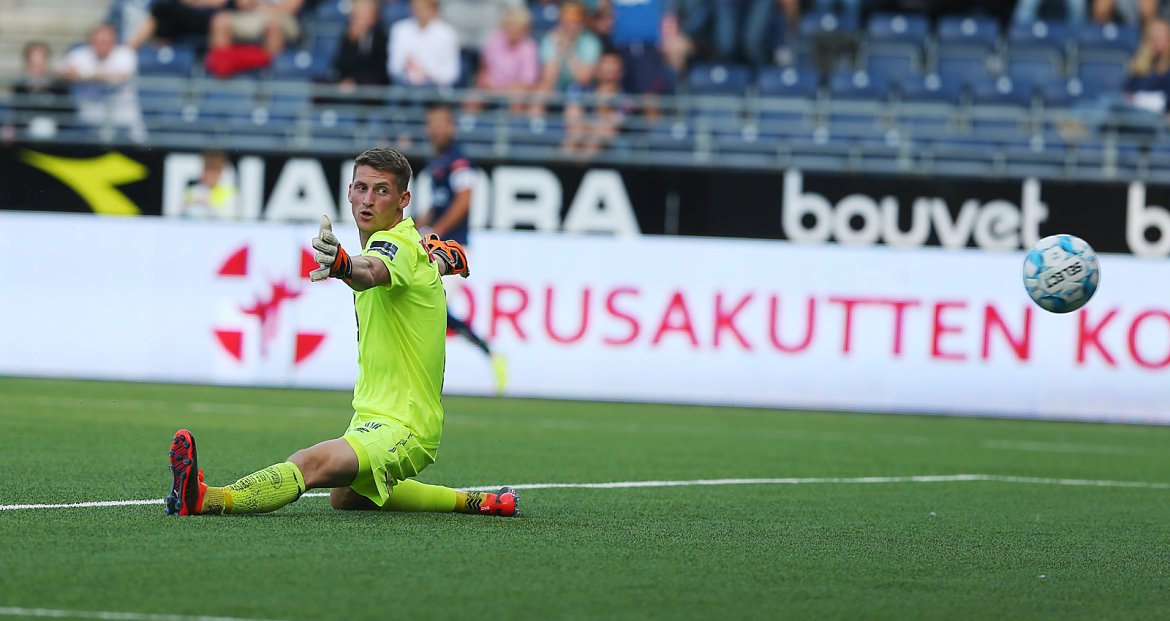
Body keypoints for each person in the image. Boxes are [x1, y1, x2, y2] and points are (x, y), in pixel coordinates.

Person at [165, 147, 518, 518]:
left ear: (404, 199)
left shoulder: (394, 244)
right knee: (347, 497)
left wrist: (344, 265)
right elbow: (429, 257)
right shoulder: (411, 245)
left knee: (310, 463)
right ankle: (479, 502)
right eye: (361, 188)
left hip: (405, 425)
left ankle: (208, 499)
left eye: (381, 191)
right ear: (349, 191)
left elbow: (371, 271)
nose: (367, 200)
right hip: (372, 417)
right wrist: (444, 258)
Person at [415, 103, 509, 395]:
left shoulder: (460, 161)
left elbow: (465, 199)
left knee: (431, 309)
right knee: (432, 309)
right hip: (435, 243)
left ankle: (486, 354)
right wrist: (414, 227)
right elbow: (438, 203)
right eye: (430, 123)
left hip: (451, 249)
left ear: (452, 127)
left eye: (440, 123)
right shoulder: (439, 162)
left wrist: (436, 232)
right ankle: (487, 352)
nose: (434, 129)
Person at [60, 23, 146, 142]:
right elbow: (65, 72)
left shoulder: (125, 54)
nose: (101, 46)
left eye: (106, 42)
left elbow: (120, 77)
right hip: (88, 120)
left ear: (114, 42)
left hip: (123, 121)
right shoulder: (79, 53)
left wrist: (85, 75)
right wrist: (98, 75)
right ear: (90, 42)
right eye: (98, 42)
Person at [562, 50, 634, 158]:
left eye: (612, 64)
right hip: (580, 135)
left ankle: (578, 169)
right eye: (605, 63)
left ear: (620, 71)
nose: (608, 68)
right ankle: (563, 165)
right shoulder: (582, 90)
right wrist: (595, 124)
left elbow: (611, 128)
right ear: (597, 69)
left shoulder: (626, 100)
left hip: (606, 143)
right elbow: (571, 118)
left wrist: (586, 125)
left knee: (594, 139)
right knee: (574, 136)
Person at [387, 0, 461, 87]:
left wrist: (426, 72)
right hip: (404, 85)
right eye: (416, 8)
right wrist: (408, 68)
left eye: (424, 7)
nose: (420, 12)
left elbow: (451, 74)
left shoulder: (447, 33)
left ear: (433, 9)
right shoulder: (399, 30)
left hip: (435, 87)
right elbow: (393, 68)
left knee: (419, 95)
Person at [538, 2, 603, 93]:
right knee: (541, 93)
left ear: (582, 23)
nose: (572, 27)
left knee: (574, 97)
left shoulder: (590, 42)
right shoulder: (550, 40)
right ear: (560, 23)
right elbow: (549, 79)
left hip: (581, 89)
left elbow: (584, 79)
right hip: (556, 86)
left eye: (576, 22)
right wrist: (559, 50)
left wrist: (569, 50)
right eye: (567, 22)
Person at [126, 0, 232, 50]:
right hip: (182, 16)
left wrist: (199, 3)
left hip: (210, 18)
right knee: (161, 10)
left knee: (162, 10)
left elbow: (219, 2)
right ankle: (160, 57)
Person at [332, 0, 389, 90]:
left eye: (361, 15)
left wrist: (356, 81)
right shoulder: (347, 37)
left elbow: (377, 69)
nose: (355, 20)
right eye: (355, 16)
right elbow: (340, 65)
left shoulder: (380, 38)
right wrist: (352, 43)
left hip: (369, 86)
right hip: (346, 85)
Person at [180, 150, 239, 219]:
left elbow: (230, 218)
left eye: (214, 170)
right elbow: (183, 213)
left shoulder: (229, 191)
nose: (209, 174)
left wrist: (209, 204)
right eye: (207, 169)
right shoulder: (194, 189)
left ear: (221, 172)